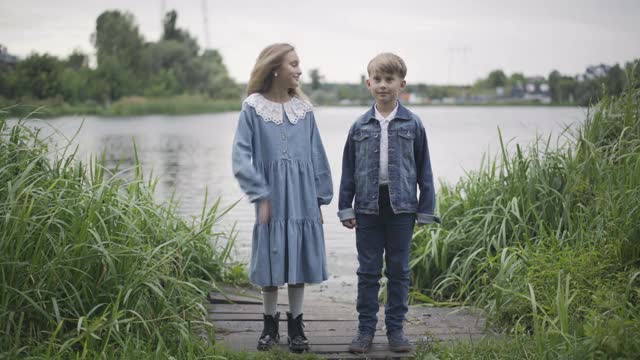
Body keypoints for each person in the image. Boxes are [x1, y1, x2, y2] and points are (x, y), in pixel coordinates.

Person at [231, 43, 333, 353]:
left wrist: (319, 197)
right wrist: (260, 194)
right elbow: (239, 157)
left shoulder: (304, 111)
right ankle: (269, 326)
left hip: (302, 196)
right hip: (271, 196)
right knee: (271, 258)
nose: (299, 70)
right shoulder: (253, 107)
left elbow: (317, 155)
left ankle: (297, 326)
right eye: (294, 64)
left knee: (299, 258)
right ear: (275, 68)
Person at [337, 53, 439, 354]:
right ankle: (365, 330)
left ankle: (396, 330)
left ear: (401, 84)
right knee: (368, 271)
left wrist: (425, 210)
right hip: (367, 208)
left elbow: (425, 170)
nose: (383, 85)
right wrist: (346, 207)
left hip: (402, 209)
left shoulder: (413, 123)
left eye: (389, 80)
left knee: (399, 270)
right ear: (368, 84)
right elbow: (348, 170)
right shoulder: (359, 126)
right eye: (377, 80)